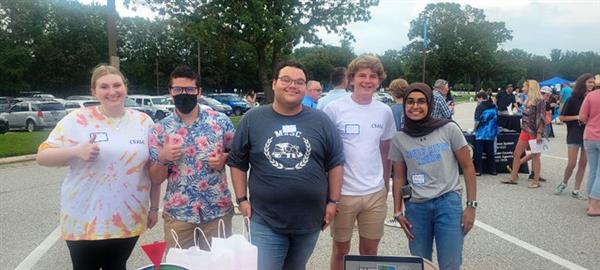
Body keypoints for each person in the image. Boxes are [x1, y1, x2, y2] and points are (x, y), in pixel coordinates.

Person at [36, 64, 160, 270]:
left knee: (117, 265)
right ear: (94, 91)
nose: (112, 92)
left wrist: (154, 207)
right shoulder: (77, 119)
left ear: (125, 87)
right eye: (104, 87)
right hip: (84, 218)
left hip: (127, 217)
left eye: (116, 85)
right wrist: (75, 151)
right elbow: (42, 156)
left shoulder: (143, 121)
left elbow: (152, 168)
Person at [228, 60, 345, 269]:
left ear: (305, 88)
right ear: (274, 83)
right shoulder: (253, 118)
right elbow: (237, 162)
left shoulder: (321, 121)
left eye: (299, 82)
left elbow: (336, 162)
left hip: (309, 221)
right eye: (286, 80)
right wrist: (242, 199)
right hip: (265, 219)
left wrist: (333, 202)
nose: (293, 85)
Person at [389, 82, 477, 270]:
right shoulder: (399, 138)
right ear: (404, 105)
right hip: (417, 208)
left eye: (421, 101)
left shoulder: (448, 129)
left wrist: (471, 206)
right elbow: (398, 178)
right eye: (410, 102)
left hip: (448, 203)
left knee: (450, 263)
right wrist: (397, 211)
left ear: (429, 104)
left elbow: (469, 168)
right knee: (420, 264)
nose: (415, 106)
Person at [148, 65, 235, 250]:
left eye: (189, 89)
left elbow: (238, 155)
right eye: (178, 89)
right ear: (170, 91)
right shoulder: (160, 129)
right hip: (179, 215)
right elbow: (155, 179)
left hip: (217, 211)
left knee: (218, 265)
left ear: (199, 91)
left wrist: (224, 159)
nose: (184, 94)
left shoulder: (220, 121)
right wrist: (163, 158)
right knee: (179, 266)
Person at [323, 54, 396, 270]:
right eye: (362, 75)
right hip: (342, 193)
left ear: (379, 81)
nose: (367, 80)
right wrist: (329, 194)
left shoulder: (384, 112)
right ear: (351, 79)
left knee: (370, 253)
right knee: (340, 251)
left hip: (374, 193)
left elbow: (385, 150)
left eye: (373, 76)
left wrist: (384, 184)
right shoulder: (334, 109)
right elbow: (325, 153)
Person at [555, 74, 595, 200]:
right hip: (574, 133)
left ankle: (576, 190)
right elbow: (561, 118)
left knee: (583, 163)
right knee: (572, 163)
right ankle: (564, 182)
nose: (592, 85)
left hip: (588, 134)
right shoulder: (572, 99)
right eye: (589, 82)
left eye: (593, 82)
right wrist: (578, 117)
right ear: (582, 83)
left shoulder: (593, 98)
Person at [502, 80, 546, 188]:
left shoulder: (539, 100)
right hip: (525, 130)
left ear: (530, 87)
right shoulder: (528, 100)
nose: (522, 88)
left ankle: (536, 181)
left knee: (535, 156)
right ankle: (513, 177)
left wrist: (540, 133)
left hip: (535, 132)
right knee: (517, 153)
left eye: (524, 86)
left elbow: (541, 118)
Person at [579, 74, 600, 216]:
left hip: (589, 136)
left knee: (593, 170)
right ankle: (594, 206)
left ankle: (590, 203)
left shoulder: (591, 95)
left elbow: (581, 117)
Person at [473, 91, 499, 176]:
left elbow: (477, 120)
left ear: (480, 98)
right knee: (490, 151)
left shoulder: (480, 107)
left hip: (481, 133)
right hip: (491, 132)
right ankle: (493, 170)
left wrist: (474, 129)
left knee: (479, 152)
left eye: (477, 99)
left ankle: (479, 170)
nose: (477, 101)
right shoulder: (494, 106)